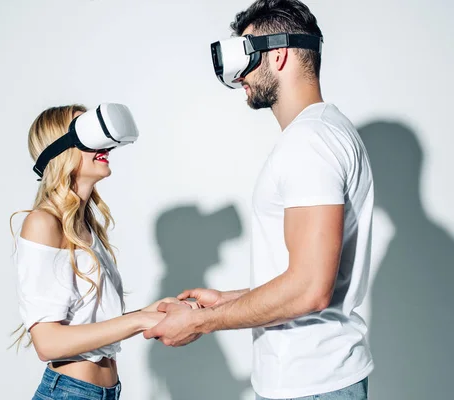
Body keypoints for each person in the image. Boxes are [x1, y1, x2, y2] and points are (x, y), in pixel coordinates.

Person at [144, 1, 374, 399]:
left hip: (310, 384)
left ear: (279, 54)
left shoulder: (310, 143)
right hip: (318, 380)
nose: (238, 76)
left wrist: (201, 323)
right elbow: (309, 278)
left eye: (246, 54)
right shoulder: (324, 131)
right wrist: (226, 302)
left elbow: (310, 289)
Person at [11, 104, 188, 400]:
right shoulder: (43, 223)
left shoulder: (83, 225)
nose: (103, 144)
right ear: (62, 147)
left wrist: (148, 312)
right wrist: (139, 321)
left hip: (102, 393)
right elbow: (48, 343)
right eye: (88, 132)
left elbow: (88, 325)